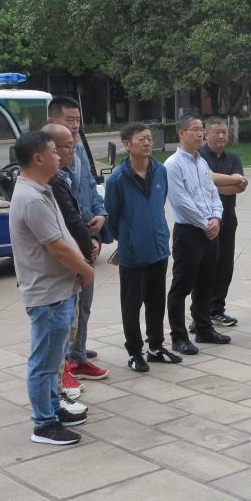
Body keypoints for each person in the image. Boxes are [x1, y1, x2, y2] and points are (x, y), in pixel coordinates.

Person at [9, 131, 94, 446]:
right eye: (53, 151)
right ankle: (44, 425)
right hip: (48, 297)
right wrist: (86, 270)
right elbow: (57, 248)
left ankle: (53, 408)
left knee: (54, 359)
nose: (60, 156)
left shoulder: (42, 189)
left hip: (59, 291)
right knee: (44, 363)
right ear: (38, 158)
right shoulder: (31, 198)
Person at [47, 97, 109, 391]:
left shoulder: (78, 150)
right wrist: (85, 242)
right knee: (65, 312)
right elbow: (63, 212)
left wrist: (100, 216)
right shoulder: (48, 160)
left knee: (84, 305)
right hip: (68, 245)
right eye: (69, 120)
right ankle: (63, 367)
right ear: (52, 122)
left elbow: (91, 188)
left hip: (87, 239)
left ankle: (78, 355)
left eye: (78, 120)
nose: (75, 126)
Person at [104, 123, 174, 372]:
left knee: (156, 302)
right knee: (131, 305)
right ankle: (134, 352)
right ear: (127, 144)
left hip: (158, 249)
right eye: (141, 139)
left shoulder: (160, 171)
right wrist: (129, 238)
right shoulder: (117, 179)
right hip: (133, 254)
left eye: (149, 138)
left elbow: (160, 202)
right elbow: (111, 216)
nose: (147, 143)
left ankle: (156, 347)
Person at [42, 124, 102, 413]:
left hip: (72, 267)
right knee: (51, 345)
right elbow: (62, 233)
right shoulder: (44, 189)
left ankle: (57, 393)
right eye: (63, 147)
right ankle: (49, 411)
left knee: (68, 328)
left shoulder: (54, 182)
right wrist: (85, 259)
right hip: (54, 280)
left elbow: (80, 210)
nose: (69, 151)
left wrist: (92, 241)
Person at [163, 113, 231, 355]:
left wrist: (217, 218)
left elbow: (213, 193)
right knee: (181, 286)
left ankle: (204, 328)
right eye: (195, 129)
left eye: (202, 129)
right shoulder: (172, 165)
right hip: (189, 233)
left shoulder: (201, 163)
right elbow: (181, 203)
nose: (201, 133)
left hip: (210, 230)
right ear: (181, 133)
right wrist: (205, 223)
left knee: (206, 283)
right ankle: (179, 337)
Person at [197, 116, 247, 327]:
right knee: (205, 268)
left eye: (224, 132)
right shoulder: (199, 157)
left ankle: (217, 309)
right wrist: (232, 180)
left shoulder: (233, 158)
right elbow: (207, 182)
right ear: (206, 134)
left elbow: (239, 187)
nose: (221, 136)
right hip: (205, 222)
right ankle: (200, 313)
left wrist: (217, 184)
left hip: (228, 220)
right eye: (216, 132)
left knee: (225, 267)